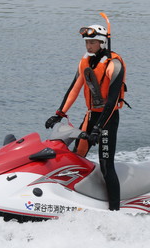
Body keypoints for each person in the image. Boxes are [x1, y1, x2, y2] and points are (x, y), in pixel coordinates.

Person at [45, 23, 128, 211]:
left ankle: (115, 212)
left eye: (92, 42)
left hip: (107, 119)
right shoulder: (85, 62)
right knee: (75, 157)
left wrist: (98, 130)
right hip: (90, 117)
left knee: (107, 167)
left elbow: (112, 102)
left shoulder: (113, 64)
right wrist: (59, 114)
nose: (88, 46)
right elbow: (74, 89)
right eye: (86, 42)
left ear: (102, 42)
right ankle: (70, 201)